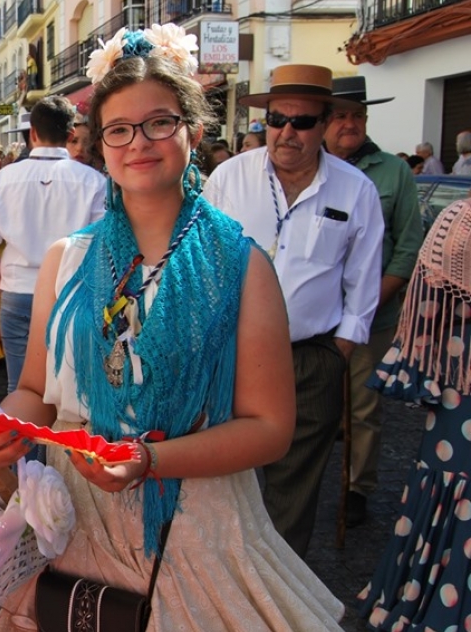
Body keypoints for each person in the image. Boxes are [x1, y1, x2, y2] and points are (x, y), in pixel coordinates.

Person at [0, 26, 344, 630]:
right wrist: (7, 427)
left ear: (193, 133)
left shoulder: (241, 264)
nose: (137, 142)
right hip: (76, 529)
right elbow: (36, 393)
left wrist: (148, 459)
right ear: (99, 145)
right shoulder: (66, 260)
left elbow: (271, 429)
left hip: (195, 534)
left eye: (159, 123)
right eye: (118, 129)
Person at [204, 63, 384, 557]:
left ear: (325, 123)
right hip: (230, 355)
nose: (286, 132)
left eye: (302, 122)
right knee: (225, 478)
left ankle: (277, 598)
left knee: (295, 491)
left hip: (310, 359)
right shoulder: (227, 179)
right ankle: (220, 583)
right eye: (277, 120)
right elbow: (199, 264)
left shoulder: (355, 190)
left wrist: (338, 352)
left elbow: (362, 283)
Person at [358, 197, 471, 631]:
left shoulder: (456, 223)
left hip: (456, 395)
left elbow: (425, 314)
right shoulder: (458, 223)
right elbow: (425, 309)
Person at [323, 76, 424, 528]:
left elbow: (407, 246)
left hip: (373, 315)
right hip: (315, 319)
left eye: (358, 116)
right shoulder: (311, 167)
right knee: (312, 404)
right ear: (325, 120)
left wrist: (367, 301)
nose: (351, 124)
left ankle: (356, 486)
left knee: (364, 406)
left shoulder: (393, 171)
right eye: (341, 115)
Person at [0, 95, 105, 394]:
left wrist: (2, 283)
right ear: (71, 135)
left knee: (20, 388)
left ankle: (25, 441)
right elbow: (103, 244)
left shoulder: (4, 179)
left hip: (17, 291)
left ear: (32, 133)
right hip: (72, 292)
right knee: (73, 389)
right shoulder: (93, 181)